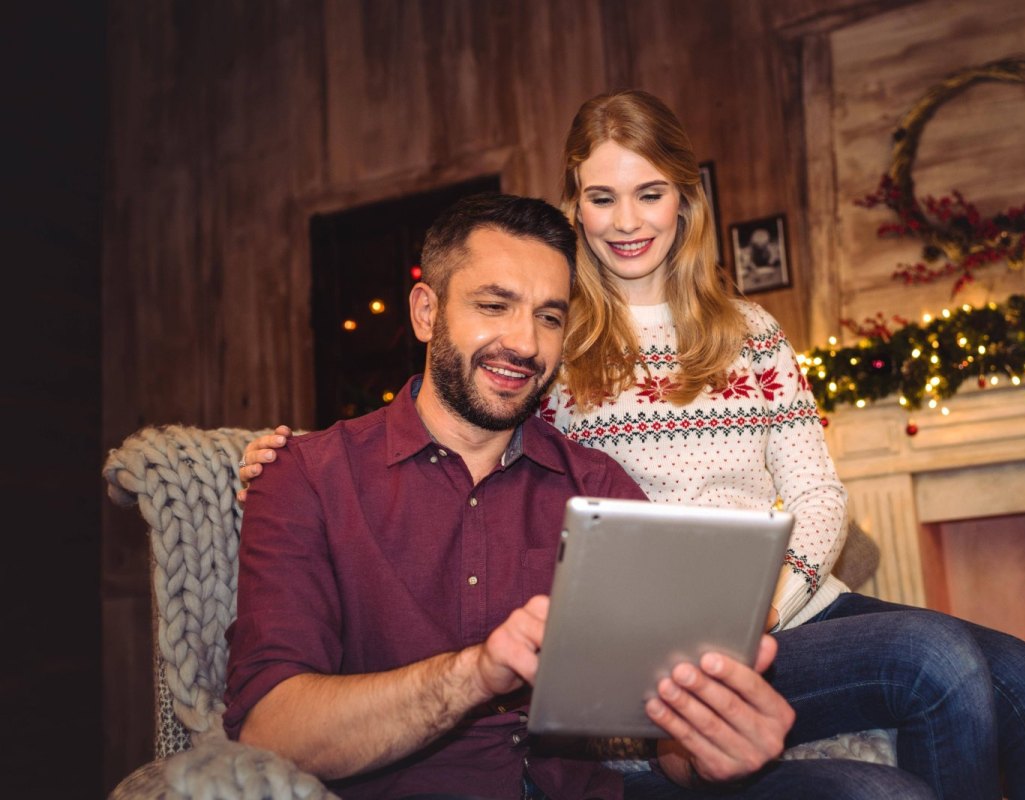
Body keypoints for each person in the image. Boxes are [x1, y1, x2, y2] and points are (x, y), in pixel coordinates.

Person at [240, 91, 1025, 800]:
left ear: (684, 198)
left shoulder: (751, 328)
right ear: (573, 207)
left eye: (649, 192)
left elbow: (818, 496)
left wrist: (765, 605)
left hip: (791, 604)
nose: (628, 219)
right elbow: (462, 416)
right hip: (671, 639)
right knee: (937, 662)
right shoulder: (562, 336)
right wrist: (293, 451)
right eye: (601, 196)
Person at [225, 191, 937, 800]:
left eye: (549, 316)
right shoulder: (307, 477)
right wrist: (476, 673)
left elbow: (665, 740)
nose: (524, 343)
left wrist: (712, 748)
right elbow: (272, 730)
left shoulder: (598, 487)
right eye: (494, 305)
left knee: (882, 792)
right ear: (424, 311)